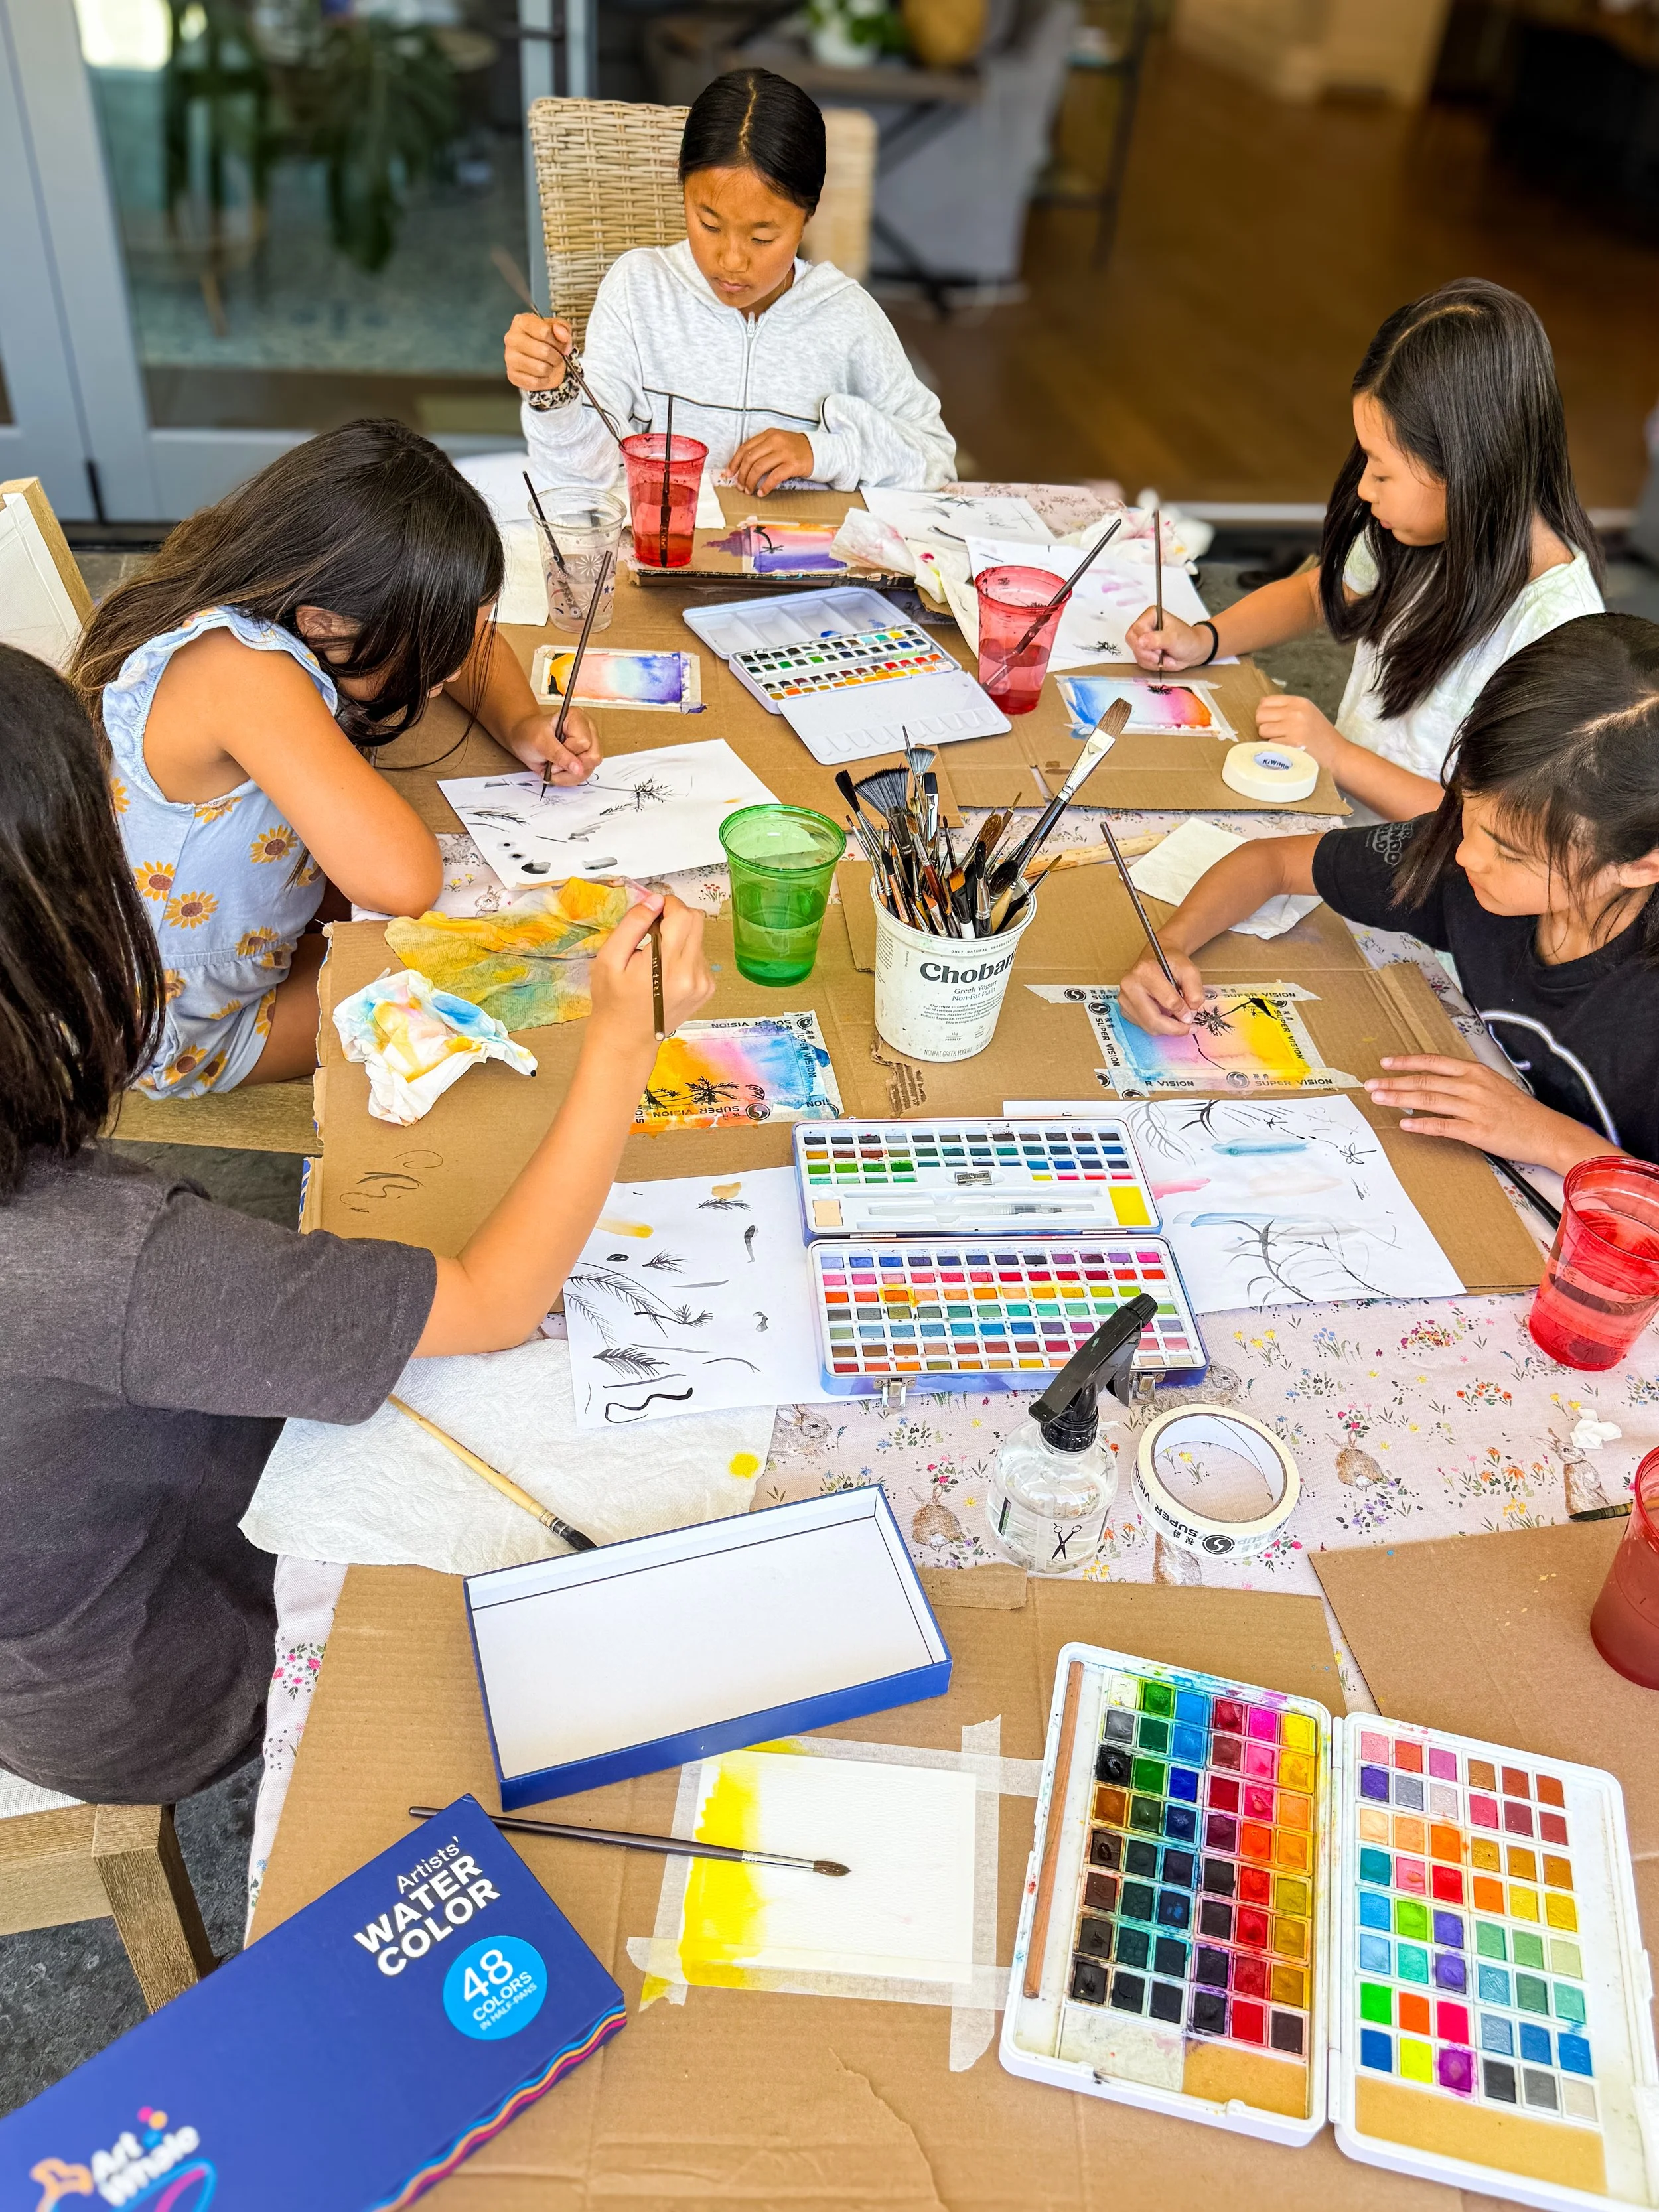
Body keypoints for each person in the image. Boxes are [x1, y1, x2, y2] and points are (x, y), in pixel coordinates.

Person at [0, 644, 711, 1805]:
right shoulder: (99, 1268)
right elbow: (491, 1301)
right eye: (110, 838)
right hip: (161, 1679)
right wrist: (623, 1042)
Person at [70, 419, 604, 1099]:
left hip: (228, 938)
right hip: (181, 1028)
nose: (438, 681)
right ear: (327, 623)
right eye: (426, 662)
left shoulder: (285, 583)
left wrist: (523, 722)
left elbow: (465, 641)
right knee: (494, 979)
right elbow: (403, 878)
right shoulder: (240, 672)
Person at [1114, 616, 1659, 1173]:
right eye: (1467, 812)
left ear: (1641, 865)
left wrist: (1554, 1141)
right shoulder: (1465, 859)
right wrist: (1171, 945)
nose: (1467, 855)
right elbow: (1271, 862)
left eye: (1513, 854)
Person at [1125, 280, 1604, 821]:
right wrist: (1203, 640)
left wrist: (1338, 755)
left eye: (1382, 471)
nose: (1364, 490)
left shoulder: (1559, 630)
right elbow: (1316, 594)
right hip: (1344, 823)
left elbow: (1492, 830)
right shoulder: (1423, 532)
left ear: (1467, 469)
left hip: (1425, 884)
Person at [504, 67, 955, 498]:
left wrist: (823, 451)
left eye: (763, 237)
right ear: (682, 186)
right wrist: (553, 393)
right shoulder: (638, 290)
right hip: (661, 562)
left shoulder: (847, 317)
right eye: (709, 224)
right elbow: (581, 473)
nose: (731, 261)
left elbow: (935, 457)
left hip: (800, 573)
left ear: (808, 215)